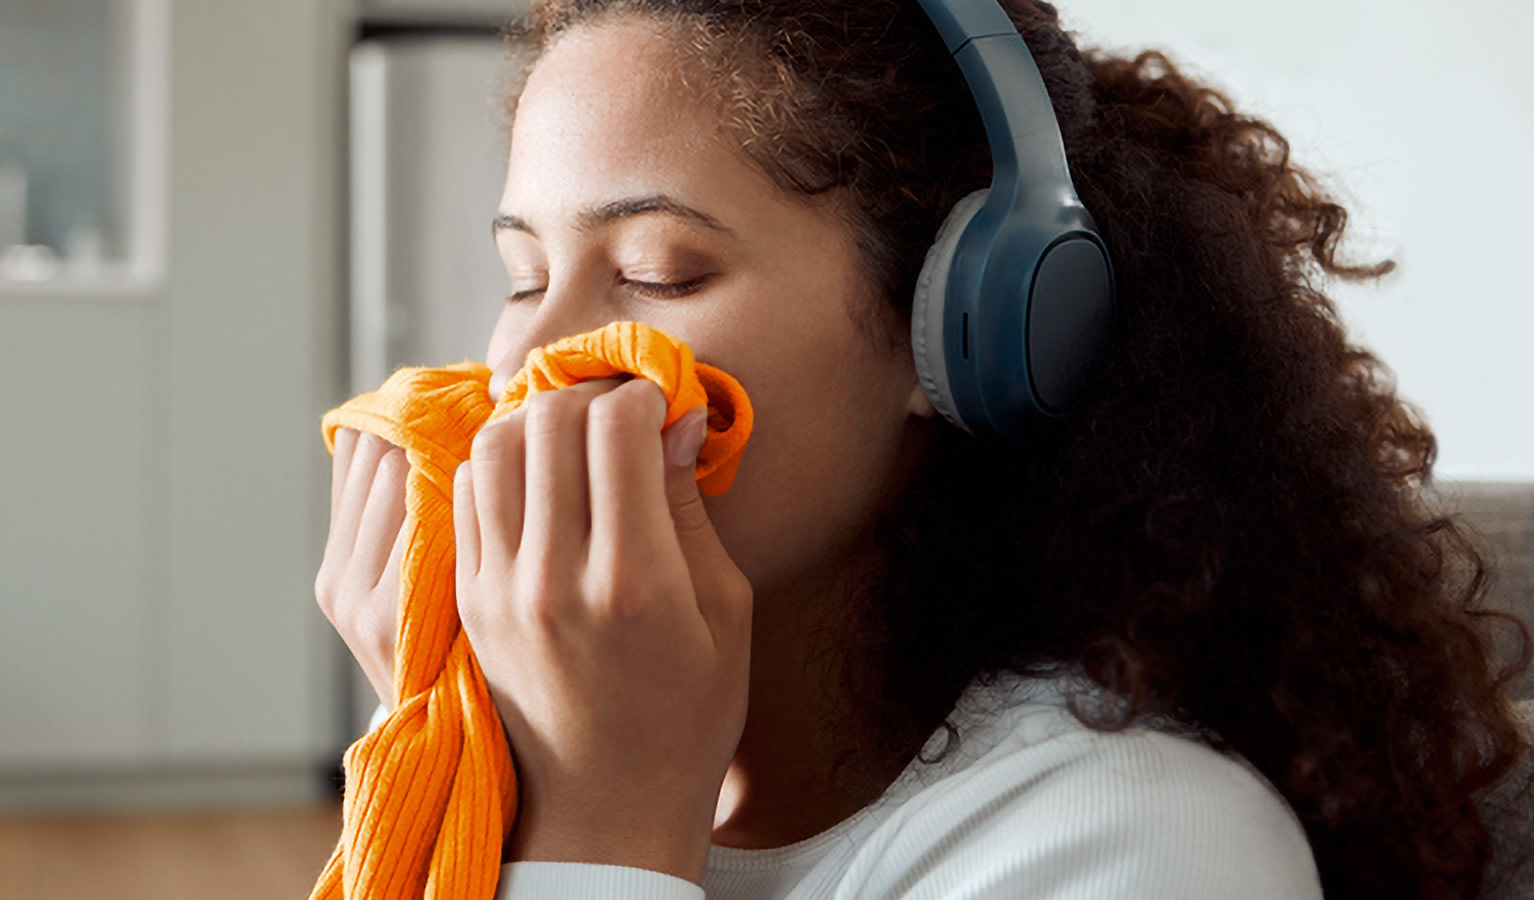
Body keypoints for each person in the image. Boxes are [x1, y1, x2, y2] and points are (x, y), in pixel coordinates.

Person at [314, 1, 1532, 897]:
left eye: (655, 273)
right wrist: (449, 755)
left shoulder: (1137, 842)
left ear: (961, 330)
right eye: (523, 275)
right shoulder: (496, 755)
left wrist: (600, 826)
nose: (537, 359)